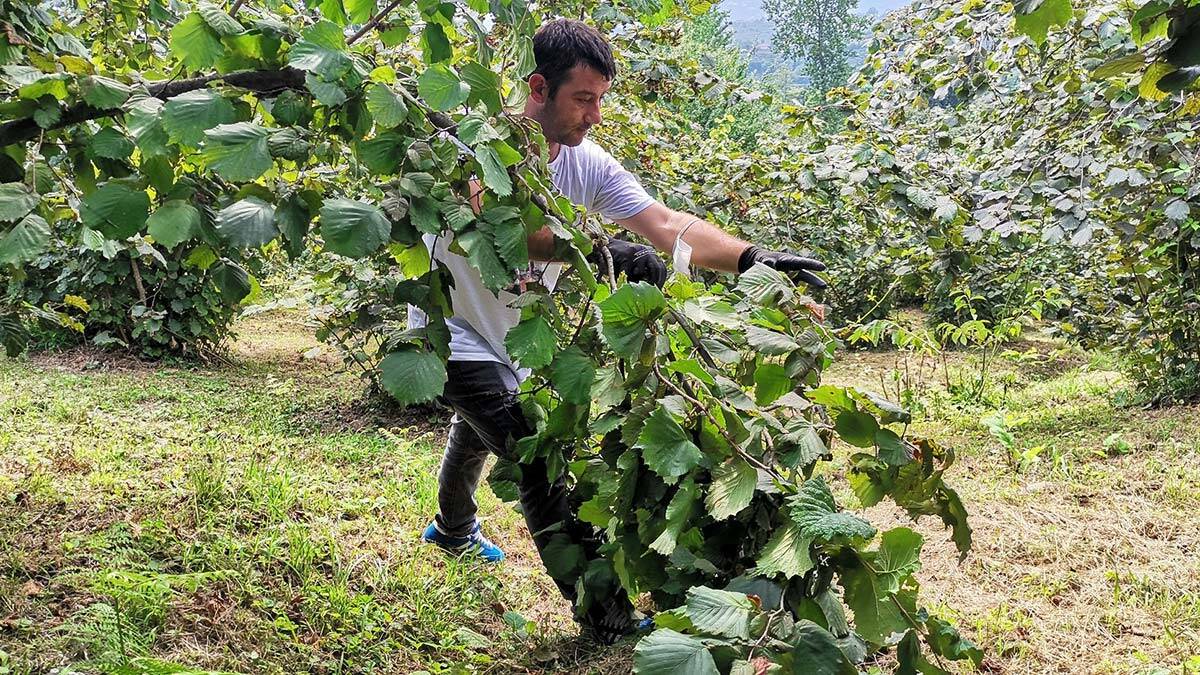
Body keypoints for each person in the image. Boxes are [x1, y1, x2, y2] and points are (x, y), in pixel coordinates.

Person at [412, 18, 826, 642]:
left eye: (601, 99)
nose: (595, 116)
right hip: (447, 333)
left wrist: (752, 259)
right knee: (536, 456)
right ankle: (603, 614)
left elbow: (664, 223)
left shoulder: (587, 163)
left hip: (516, 335)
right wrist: (606, 250)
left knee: (480, 428)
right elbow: (499, 224)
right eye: (584, 99)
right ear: (538, 88)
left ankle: (450, 528)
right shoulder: (482, 146)